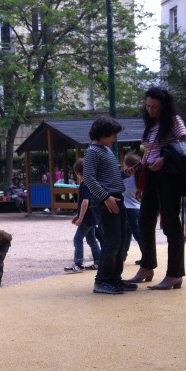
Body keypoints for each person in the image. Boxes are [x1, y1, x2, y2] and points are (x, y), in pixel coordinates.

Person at [127, 87, 186, 290]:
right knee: (144, 222)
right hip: (151, 178)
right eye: (148, 106)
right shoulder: (152, 123)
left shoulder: (174, 121)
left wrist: (164, 159)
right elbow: (149, 149)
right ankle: (147, 267)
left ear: (164, 106)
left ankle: (175, 274)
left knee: (170, 225)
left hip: (169, 179)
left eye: (155, 107)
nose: (150, 110)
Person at [82, 117, 136, 295]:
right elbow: (88, 178)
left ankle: (114, 278)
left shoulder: (105, 149)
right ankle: (102, 281)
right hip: (106, 200)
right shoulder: (92, 151)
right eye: (113, 134)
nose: (115, 138)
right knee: (112, 241)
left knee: (120, 241)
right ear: (103, 133)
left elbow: (107, 176)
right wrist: (106, 197)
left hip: (116, 198)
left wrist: (124, 174)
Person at [63, 159, 101, 274]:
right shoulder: (92, 183)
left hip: (87, 218)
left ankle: (78, 263)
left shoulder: (84, 185)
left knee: (77, 239)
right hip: (93, 217)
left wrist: (80, 218)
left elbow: (85, 202)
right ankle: (98, 261)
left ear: (77, 173)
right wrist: (77, 215)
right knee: (92, 240)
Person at [122, 152, 143, 262]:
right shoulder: (140, 178)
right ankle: (145, 255)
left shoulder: (126, 178)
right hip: (138, 208)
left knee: (130, 234)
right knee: (135, 233)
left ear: (127, 165)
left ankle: (123, 254)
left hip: (128, 208)